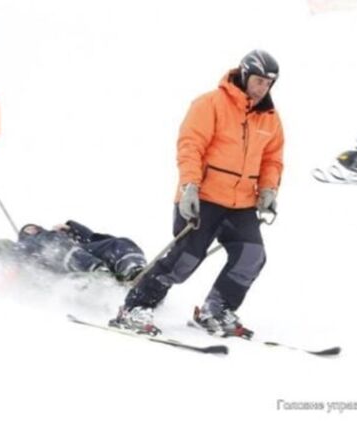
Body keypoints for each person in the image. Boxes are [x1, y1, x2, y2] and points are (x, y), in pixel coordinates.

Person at [113, 49, 285, 338]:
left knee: (252, 256)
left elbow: (272, 159)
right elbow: (190, 146)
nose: (262, 88)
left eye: (269, 83)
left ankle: (216, 310)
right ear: (244, 75)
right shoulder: (210, 104)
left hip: (242, 203)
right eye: (258, 81)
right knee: (185, 260)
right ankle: (135, 307)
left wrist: (268, 189)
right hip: (203, 198)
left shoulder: (270, 118)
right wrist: (189, 186)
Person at [0, 220, 147, 282]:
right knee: (54, 245)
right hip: (53, 264)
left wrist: (72, 228)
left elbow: (93, 239)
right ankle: (97, 271)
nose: (33, 230)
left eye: (35, 227)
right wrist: (1, 246)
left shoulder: (61, 236)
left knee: (119, 242)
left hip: (80, 252)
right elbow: (6, 253)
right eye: (28, 230)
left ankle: (133, 269)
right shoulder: (26, 247)